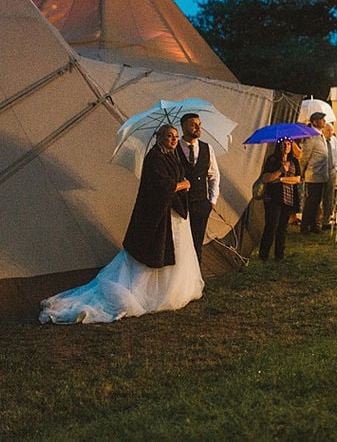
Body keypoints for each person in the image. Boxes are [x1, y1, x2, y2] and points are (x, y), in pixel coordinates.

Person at [39, 124, 203, 323]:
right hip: (160, 216)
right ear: (159, 137)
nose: (174, 140)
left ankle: (170, 291)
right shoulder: (154, 158)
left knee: (174, 252)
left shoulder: (171, 156)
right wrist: (183, 184)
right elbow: (162, 186)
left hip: (174, 214)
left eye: (176, 136)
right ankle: (147, 294)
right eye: (169, 136)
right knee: (154, 257)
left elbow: (173, 177)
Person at [178, 113, 220, 265]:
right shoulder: (174, 148)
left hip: (200, 204)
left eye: (199, 124)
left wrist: (211, 201)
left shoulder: (207, 148)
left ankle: (195, 276)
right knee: (179, 241)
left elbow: (214, 175)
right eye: (193, 124)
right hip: (179, 204)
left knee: (197, 241)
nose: (198, 127)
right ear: (183, 127)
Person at [257, 137, 302, 260]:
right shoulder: (272, 160)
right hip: (274, 198)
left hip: (288, 198)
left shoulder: (294, 161)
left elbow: (297, 179)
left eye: (288, 144)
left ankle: (279, 254)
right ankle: (264, 254)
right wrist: (280, 171)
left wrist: (281, 179)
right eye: (284, 144)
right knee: (272, 225)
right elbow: (266, 178)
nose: (286, 146)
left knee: (283, 227)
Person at [300, 112, 333, 234]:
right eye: (321, 119)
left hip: (321, 174)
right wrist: (302, 170)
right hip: (314, 174)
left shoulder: (321, 135)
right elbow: (305, 156)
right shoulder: (311, 137)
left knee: (316, 202)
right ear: (314, 122)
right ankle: (305, 226)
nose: (324, 121)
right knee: (311, 202)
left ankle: (313, 224)